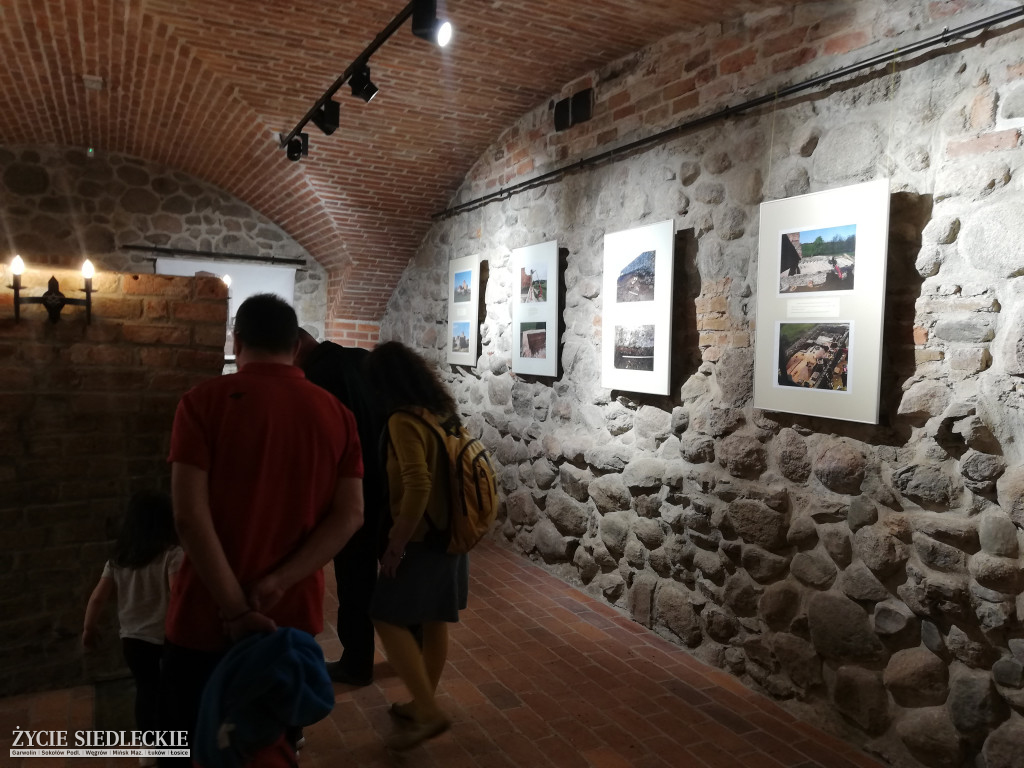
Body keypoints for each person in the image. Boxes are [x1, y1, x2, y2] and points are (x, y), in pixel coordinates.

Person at [160, 293, 365, 766]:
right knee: (268, 747)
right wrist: (276, 582)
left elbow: (189, 516)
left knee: (182, 750)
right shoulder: (337, 415)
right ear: (296, 346)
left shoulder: (201, 403)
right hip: (288, 619)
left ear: (237, 341)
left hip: (203, 615)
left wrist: (234, 609)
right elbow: (350, 515)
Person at [364, 341, 469, 752]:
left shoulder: (403, 421)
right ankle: (420, 703)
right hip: (452, 534)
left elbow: (418, 483)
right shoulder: (444, 413)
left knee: (385, 615)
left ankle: (427, 709)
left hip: (422, 539)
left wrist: (395, 545)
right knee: (433, 619)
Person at [295, 329, 388, 687]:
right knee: (395, 575)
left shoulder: (316, 379)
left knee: (354, 582)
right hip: (387, 483)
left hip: (352, 488)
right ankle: (416, 648)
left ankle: (357, 663)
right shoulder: (361, 360)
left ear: (297, 347)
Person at [83, 490, 182, 745]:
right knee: (171, 691)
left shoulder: (118, 559)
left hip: (133, 639)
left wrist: (89, 629)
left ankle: (148, 747)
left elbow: (97, 598)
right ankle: (172, 743)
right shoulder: (172, 555)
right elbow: (176, 594)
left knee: (146, 689)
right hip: (166, 636)